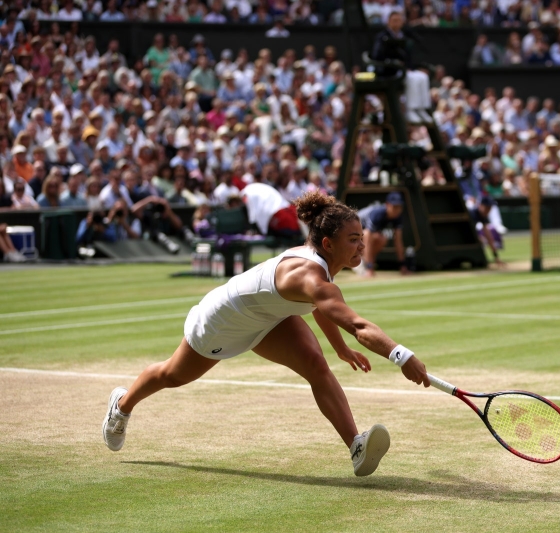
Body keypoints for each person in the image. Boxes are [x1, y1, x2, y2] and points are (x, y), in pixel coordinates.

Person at [102, 192, 430, 477]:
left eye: (361, 237)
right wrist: (401, 356)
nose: (361, 244)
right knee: (172, 375)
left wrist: (339, 347)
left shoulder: (320, 273)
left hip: (269, 318)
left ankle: (356, 446)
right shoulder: (311, 277)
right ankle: (122, 405)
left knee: (316, 365)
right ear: (328, 244)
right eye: (353, 239)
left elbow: (318, 306)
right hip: (224, 319)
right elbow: (356, 324)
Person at [371, 11, 432, 124]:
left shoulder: (404, 36)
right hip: (388, 71)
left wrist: (408, 67)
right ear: (388, 22)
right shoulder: (382, 37)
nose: (396, 23)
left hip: (404, 69)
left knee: (423, 77)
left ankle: (422, 109)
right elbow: (377, 56)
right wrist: (394, 62)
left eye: (398, 21)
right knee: (412, 79)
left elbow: (408, 57)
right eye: (394, 21)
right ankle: (410, 110)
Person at [358, 191, 409, 277]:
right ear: (387, 205)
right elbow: (367, 239)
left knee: (382, 239)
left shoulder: (397, 217)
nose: (397, 210)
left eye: (400, 207)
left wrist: (402, 266)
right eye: (395, 207)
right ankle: (366, 265)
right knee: (368, 235)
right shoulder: (377, 214)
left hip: (361, 235)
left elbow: (398, 241)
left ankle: (362, 261)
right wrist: (370, 268)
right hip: (351, 231)